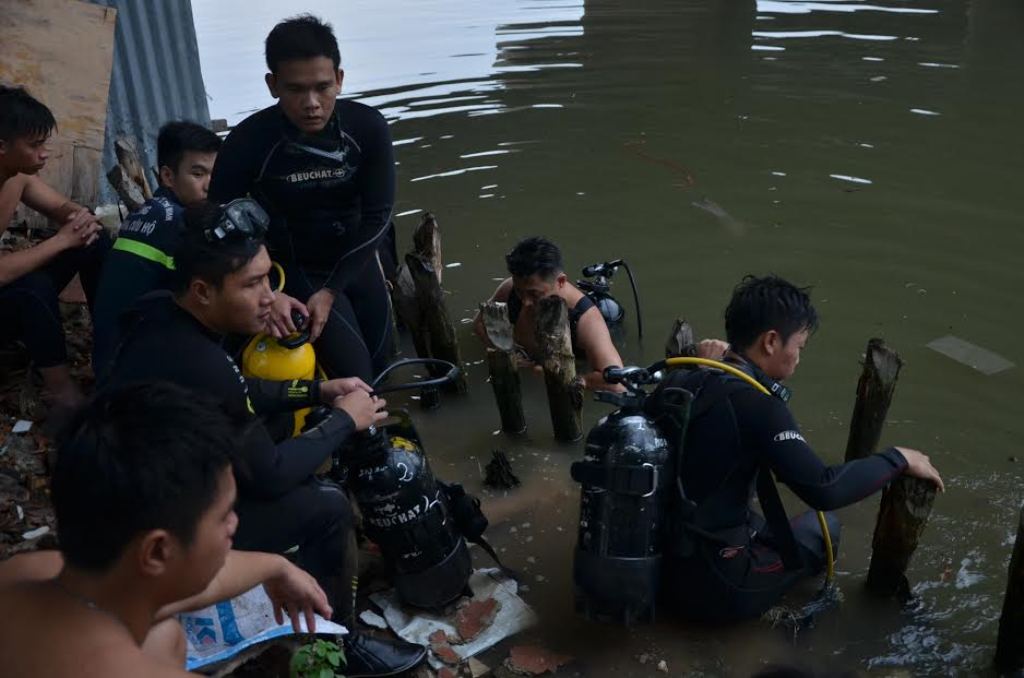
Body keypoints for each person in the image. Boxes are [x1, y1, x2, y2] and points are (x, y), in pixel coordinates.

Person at [103, 199, 426, 676]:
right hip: (150, 534)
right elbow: (270, 475)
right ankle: (341, 642)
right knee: (328, 506)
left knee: (284, 435)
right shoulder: (199, 360)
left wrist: (318, 389)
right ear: (202, 291)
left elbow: (237, 388)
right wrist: (344, 421)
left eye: (267, 278)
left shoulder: (164, 317)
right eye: (251, 285)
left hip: (133, 490)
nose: (270, 299)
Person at [651, 275, 944, 623]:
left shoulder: (679, 381)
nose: (799, 358)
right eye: (800, 346)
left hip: (657, 566)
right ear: (771, 341)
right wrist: (897, 458)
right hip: (714, 589)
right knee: (825, 531)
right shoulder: (759, 405)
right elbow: (824, 488)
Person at [0, 382, 332, 677]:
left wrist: (276, 566)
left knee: (163, 634)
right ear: (158, 550)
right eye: (224, 515)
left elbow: (190, 584)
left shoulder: (25, 572)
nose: (235, 522)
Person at [209, 14, 395, 381]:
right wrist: (266, 293)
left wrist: (332, 291)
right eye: (295, 90)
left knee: (384, 366)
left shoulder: (368, 128)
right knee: (355, 376)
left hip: (357, 258)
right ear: (272, 84)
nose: (312, 103)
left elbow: (379, 215)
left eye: (322, 87)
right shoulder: (249, 142)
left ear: (339, 80)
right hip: (295, 266)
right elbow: (216, 222)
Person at [473, 236, 727, 390]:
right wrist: (510, 354)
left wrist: (572, 380)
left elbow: (616, 382)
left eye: (535, 295)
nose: (526, 302)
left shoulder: (586, 320)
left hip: (575, 362)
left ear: (561, 282)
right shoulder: (510, 291)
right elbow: (481, 324)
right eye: (521, 292)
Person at [0, 85, 110, 413]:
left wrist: (79, 219)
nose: (44, 153)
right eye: (35, 146)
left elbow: (60, 205)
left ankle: (110, 347)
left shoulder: (16, 177)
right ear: (2, 146)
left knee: (94, 240)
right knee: (34, 290)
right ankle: (61, 392)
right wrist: (62, 240)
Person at [92, 120, 222, 373]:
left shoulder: (150, 212)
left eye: (214, 174)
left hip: (111, 357)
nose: (209, 184)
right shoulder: (179, 223)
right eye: (198, 174)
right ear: (167, 176)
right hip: (138, 371)